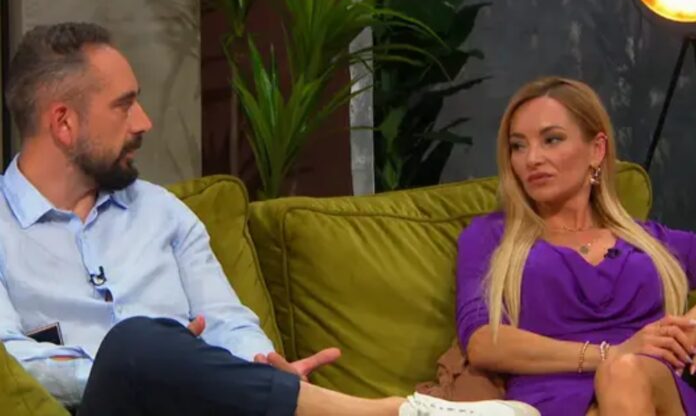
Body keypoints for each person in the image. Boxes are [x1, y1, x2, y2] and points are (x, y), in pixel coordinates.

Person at [0, 21, 540, 416]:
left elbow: (228, 319)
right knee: (137, 344)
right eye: (124, 105)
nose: (144, 121)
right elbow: (12, 360)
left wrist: (252, 363)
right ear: (63, 123)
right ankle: (386, 412)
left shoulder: (162, 213)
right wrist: (171, 366)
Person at [456, 76, 696, 415]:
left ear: (596, 150)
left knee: (625, 373)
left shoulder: (650, 241)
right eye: (518, 146)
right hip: (553, 402)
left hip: (656, 390)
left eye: (551, 140)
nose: (532, 158)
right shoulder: (492, 237)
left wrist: (691, 330)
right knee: (620, 368)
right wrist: (610, 353)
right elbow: (483, 343)